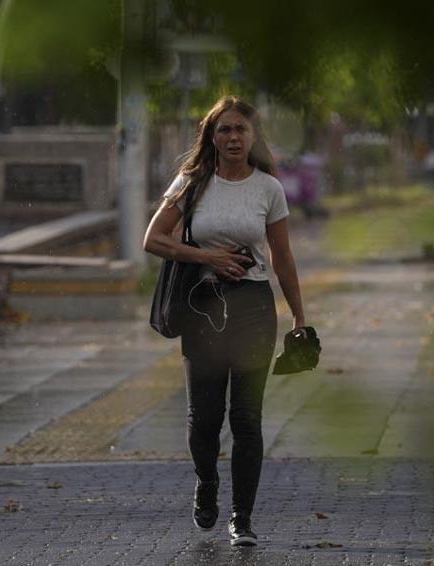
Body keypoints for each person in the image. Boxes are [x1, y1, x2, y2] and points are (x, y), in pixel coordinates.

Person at [143, 96, 307, 547]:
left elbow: (284, 260)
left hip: (254, 307)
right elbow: (152, 239)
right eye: (224, 130)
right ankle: (207, 481)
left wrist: (299, 316)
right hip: (203, 308)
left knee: (247, 418)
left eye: (241, 130)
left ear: (254, 138)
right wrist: (206, 256)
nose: (233, 138)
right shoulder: (192, 183)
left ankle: (242, 517)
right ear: (211, 137)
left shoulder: (269, 189)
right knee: (204, 419)